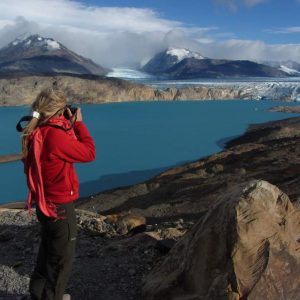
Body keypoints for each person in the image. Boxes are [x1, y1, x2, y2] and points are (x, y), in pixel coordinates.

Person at [21, 88, 96, 300]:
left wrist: (67, 125)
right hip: (61, 207)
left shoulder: (36, 132)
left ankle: (37, 294)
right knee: (61, 261)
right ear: (58, 111)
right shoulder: (55, 136)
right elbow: (89, 153)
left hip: (44, 204)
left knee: (47, 253)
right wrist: (79, 123)